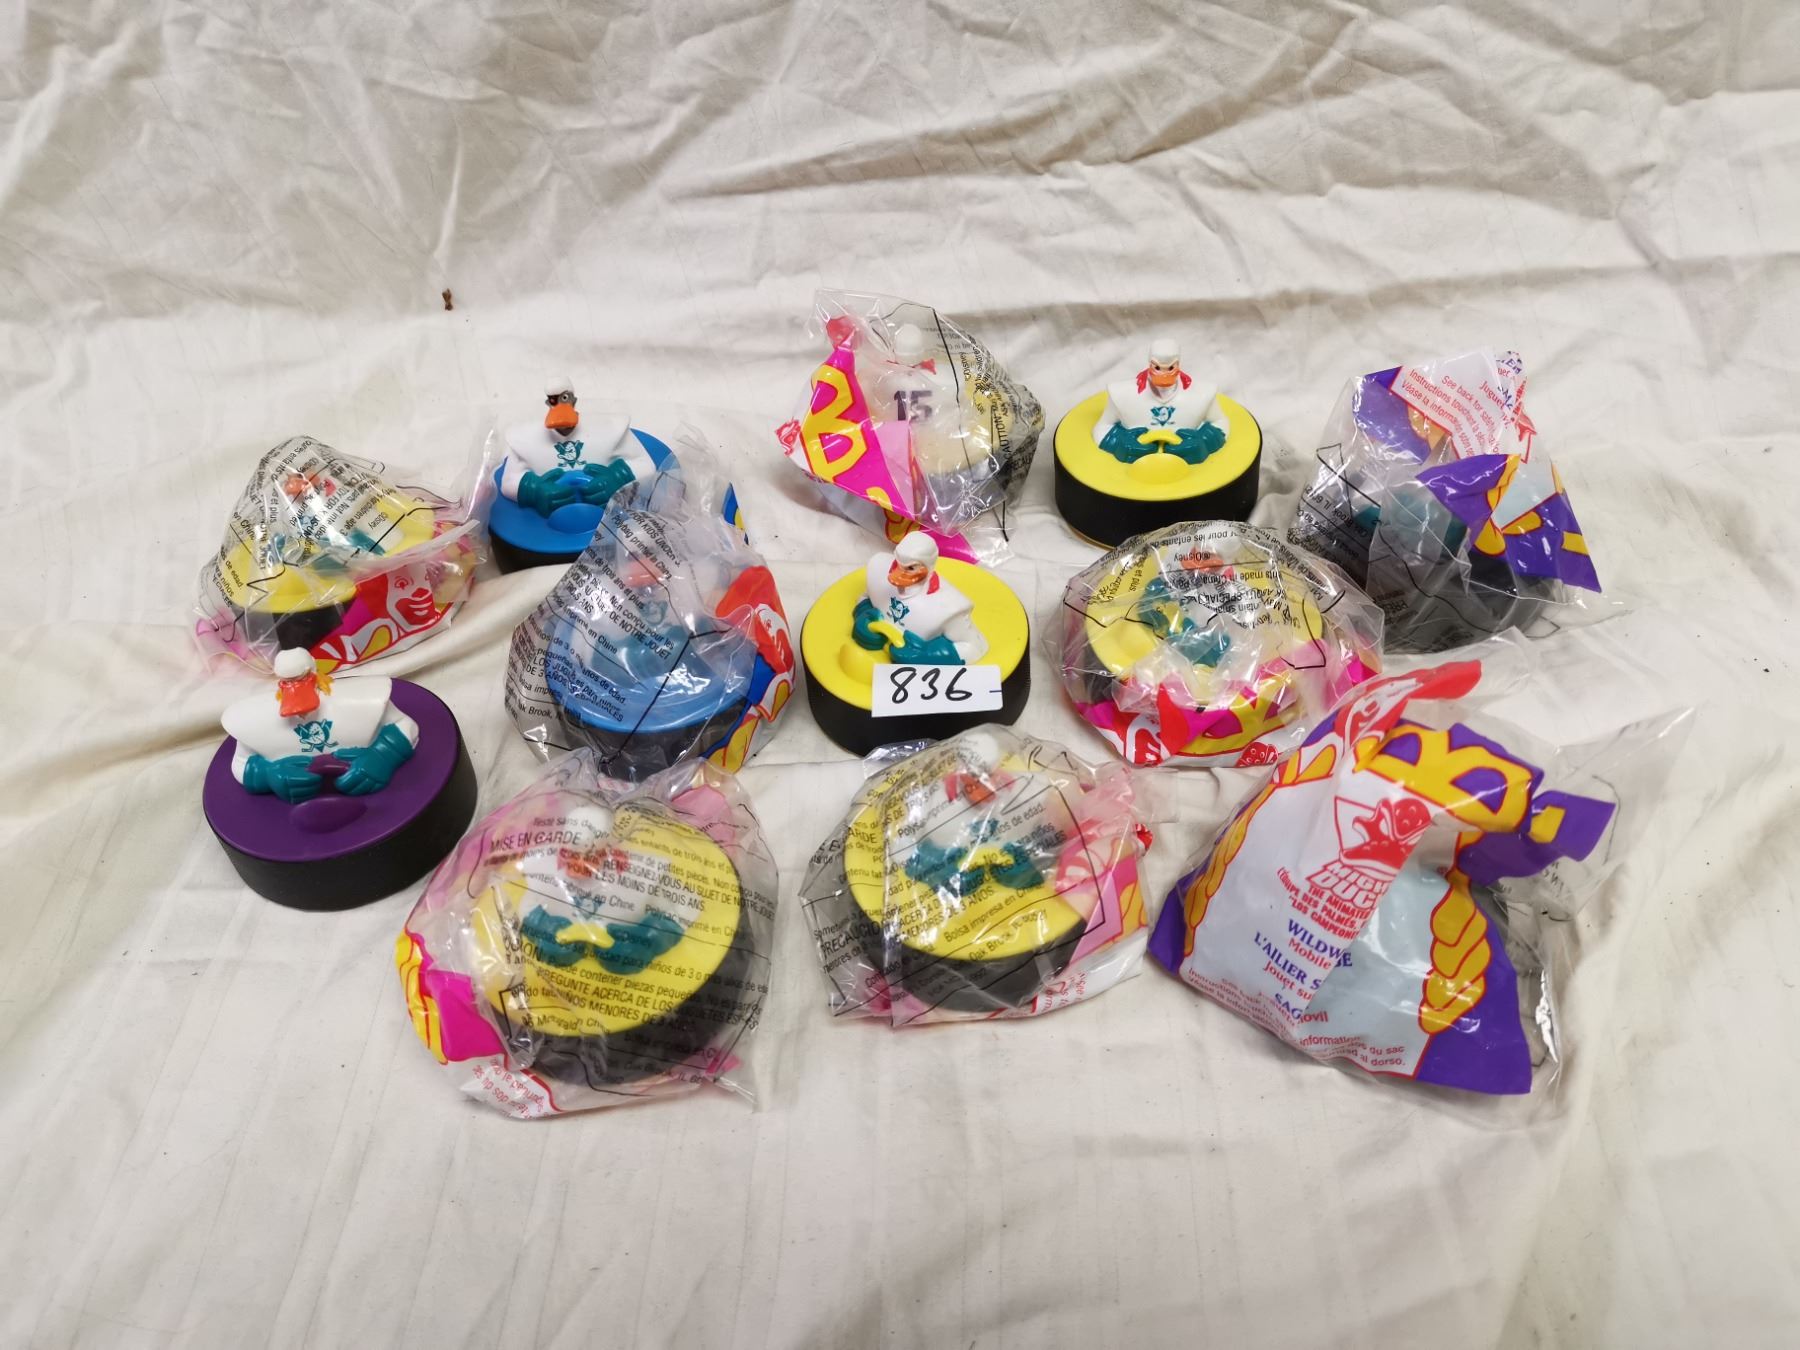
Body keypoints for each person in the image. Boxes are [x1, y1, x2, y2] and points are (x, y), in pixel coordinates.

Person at [223, 649, 418, 802]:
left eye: (302, 678)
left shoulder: (362, 699)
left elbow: (406, 725)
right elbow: (240, 763)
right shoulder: (258, 718)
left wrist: (382, 756)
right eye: (288, 681)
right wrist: (267, 775)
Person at [500, 377, 641, 517]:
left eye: (565, 398)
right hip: (552, 520)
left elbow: (644, 464)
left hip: (611, 518)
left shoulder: (611, 428)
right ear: (548, 403)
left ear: (574, 401)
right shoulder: (525, 438)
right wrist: (534, 490)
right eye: (554, 401)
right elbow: (508, 481)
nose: (560, 408)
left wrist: (617, 478)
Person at [852, 532, 986, 664]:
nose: (896, 574)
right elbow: (867, 596)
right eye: (897, 562)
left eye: (911, 567)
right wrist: (863, 613)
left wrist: (926, 655)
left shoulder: (952, 609)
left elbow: (975, 647)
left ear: (928, 566)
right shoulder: (878, 568)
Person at [1091, 338, 1229, 465]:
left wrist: (1204, 442)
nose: (1164, 374)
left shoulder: (1203, 393)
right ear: (1150, 364)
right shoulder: (1121, 393)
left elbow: (1220, 422)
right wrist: (1119, 443)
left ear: (1178, 365)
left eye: (1170, 368)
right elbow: (1103, 426)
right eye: (1157, 368)